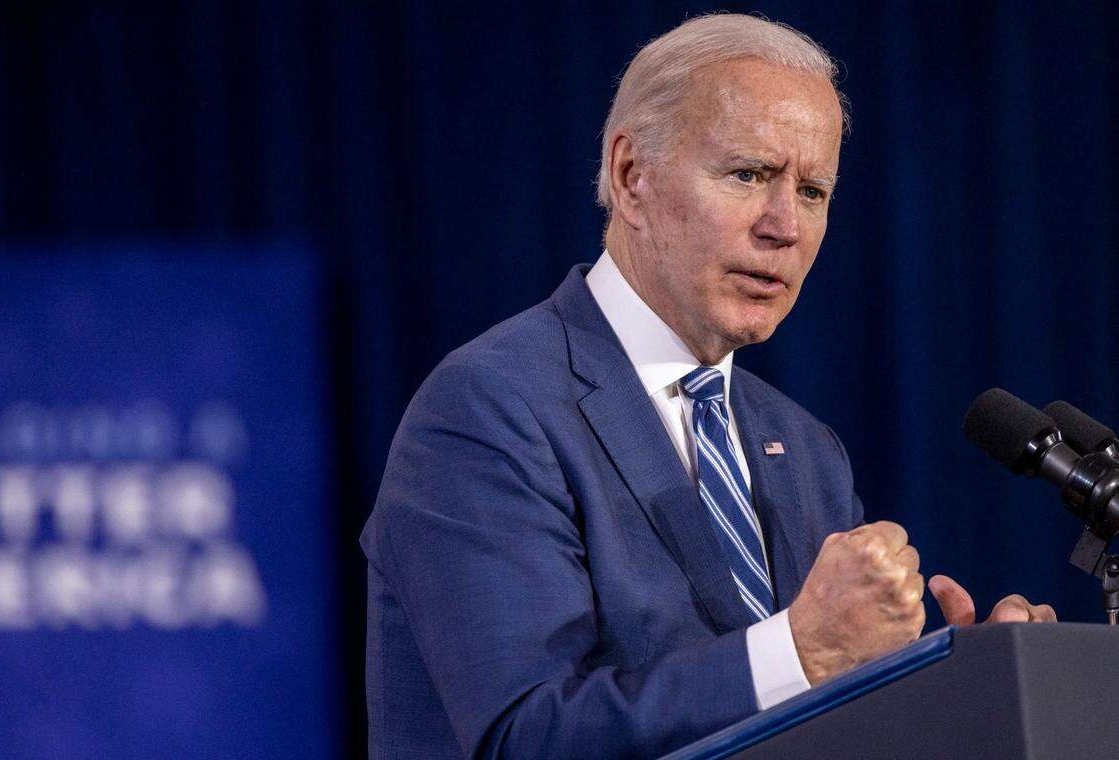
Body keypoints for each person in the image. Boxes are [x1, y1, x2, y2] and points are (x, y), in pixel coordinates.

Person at [361, 12, 1056, 759]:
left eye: (814, 190)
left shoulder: (806, 448)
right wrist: (799, 649)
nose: (785, 226)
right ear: (633, 178)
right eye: (749, 174)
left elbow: (820, 726)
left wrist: (952, 684)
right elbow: (523, 737)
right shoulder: (488, 409)